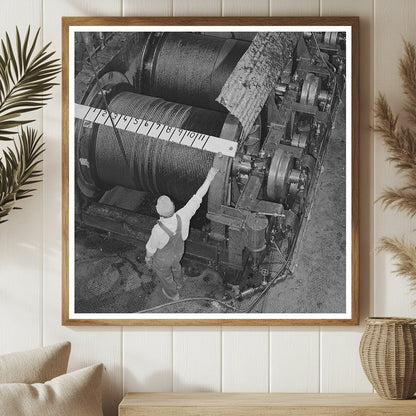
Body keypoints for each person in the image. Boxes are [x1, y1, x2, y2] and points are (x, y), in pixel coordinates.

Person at [145, 166, 219, 301]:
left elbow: (150, 248)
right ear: (173, 206)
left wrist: (148, 258)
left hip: (163, 260)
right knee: (176, 266)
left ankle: (173, 294)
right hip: (178, 253)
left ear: (158, 211)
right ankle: (179, 283)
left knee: (165, 276)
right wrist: (209, 177)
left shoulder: (158, 230)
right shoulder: (184, 214)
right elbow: (198, 196)